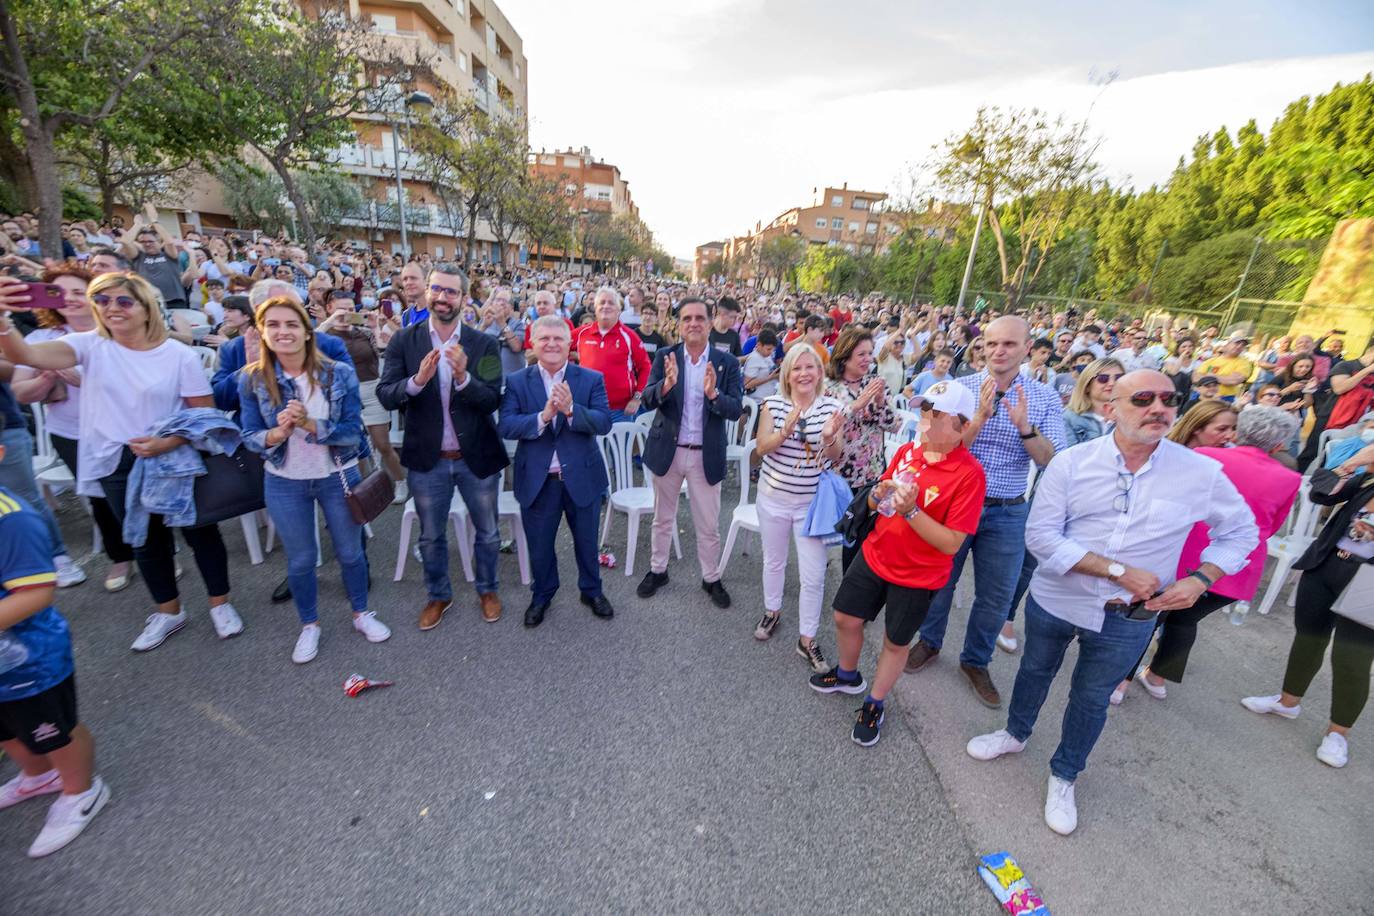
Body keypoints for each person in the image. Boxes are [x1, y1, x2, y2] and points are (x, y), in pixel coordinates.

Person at [967, 370, 1257, 835]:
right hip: (1057, 600)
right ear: (1110, 409)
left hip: (1129, 617)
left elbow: (1242, 532)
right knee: (1034, 671)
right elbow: (1041, 537)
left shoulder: (1199, 472)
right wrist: (1117, 570)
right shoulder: (1072, 463)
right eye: (1143, 398)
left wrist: (1202, 579)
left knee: (1092, 698)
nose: (1158, 407)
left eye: (1169, 398)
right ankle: (1015, 734)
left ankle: (1065, 774)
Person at [0, 272, 241, 651]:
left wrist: (168, 442)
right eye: (102, 300)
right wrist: (2, 319)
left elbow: (204, 416)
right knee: (144, 540)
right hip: (114, 460)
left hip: (174, 458)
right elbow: (24, 356)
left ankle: (220, 605)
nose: (111, 308)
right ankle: (169, 612)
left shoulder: (177, 355)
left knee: (200, 533)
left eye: (123, 301)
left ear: (146, 308)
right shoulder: (89, 345)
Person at [810, 380, 986, 746]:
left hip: (918, 576)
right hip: (876, 554)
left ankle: (875, 703)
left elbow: (952, 543)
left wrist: (912, 512)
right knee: (844, 616)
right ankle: (847, 675)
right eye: (924, 409)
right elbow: (880, 501)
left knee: (895, 642)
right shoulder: (908, 450)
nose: (925, 418)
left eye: (937, 413)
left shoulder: (969, 475)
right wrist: (875, 496)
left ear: (963, 425)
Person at [904, 317, 1066, 709]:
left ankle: (975, 661)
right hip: (955, 504)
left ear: (1027, 347)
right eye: (991, 343)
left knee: (996, 596)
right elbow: (939, 449)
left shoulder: (1044, 398)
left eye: (1009, 344)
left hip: (1008, 509)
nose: (998, 351)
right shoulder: (960, 389)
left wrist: (1025, 427)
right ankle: (929, 641)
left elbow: (1052, 461)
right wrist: (978, 418)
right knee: (940, 582)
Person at [238, 296, 390, 662]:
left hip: (337, 474)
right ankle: (310, 625)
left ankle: (361, 613)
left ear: (307, 332)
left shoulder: (339, 372)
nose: (282, 332)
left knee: (350, 552)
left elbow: (354, 433)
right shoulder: (253, 378)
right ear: (261, 332)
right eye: (273, 325)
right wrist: (275, 434)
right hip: (284, 480)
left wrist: (308, 424)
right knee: (302, 560)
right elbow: (249, 434)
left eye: (291, 324)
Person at [1117, 405, 1300, 703]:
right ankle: (1157, 677)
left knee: (1151, 615)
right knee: (1186, 620)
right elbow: (1275, 524)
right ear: (1279, 445)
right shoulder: (1289, 478)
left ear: (1239, 432)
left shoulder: (1206, 456)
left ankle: (1120, 681)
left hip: (1191, 553)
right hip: (1239, 564)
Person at [377, 264, 508, 628]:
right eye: (437, 289)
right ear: (426, 293)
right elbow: (386, 395)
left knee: (488, 532)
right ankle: (439, 595)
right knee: (431, 536)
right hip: (427, 460)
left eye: (451, 291)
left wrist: (464, 377)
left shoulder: (483, 343)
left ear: (464, 299)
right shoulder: (405, 340)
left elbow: (492, 400)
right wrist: (417, 381)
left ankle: (487, 589)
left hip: (475, 458)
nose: (442, 297)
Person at [0, 461, 109, 858]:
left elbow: (36, 593)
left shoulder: (11, 520)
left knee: (55, 729)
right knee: (8, 729)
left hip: (31, 661)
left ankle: (81, 791)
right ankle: (37, 776)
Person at [1242, 443, 1374, 768]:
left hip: (1368, 583)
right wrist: (1351, 465)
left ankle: (1338, 734)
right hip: (1326, 564)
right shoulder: (1368, 479)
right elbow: (1320, 494)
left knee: (1351, 658)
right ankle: (1288, 701)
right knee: (1308, 637)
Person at [9, 265, 133, 591]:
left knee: (138, 492)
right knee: (100, 497)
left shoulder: (122, 331)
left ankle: (160, 548)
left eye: (79, 291)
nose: (71, 299)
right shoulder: (40, 340)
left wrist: (81, 379)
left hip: (124, 428)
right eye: (60, 293)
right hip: (72, 432)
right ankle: (120, 556)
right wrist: (46, 378)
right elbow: (20, 392)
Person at [499, 316, 613, 628]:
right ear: (532, 343)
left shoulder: (589, 379)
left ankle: (591, 591)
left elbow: (604, 422)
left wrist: (573, 410)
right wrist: (543, 416)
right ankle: (542, 594)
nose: (551, 344)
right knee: (540, 545)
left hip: (581, 477)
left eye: (558, 339)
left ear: (568, 344)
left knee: (588, 542)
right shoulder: (518, 381)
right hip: (538, 480)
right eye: (544, 338)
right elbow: (507, 425)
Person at [635, 298, 744, 607]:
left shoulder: (728, 364)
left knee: (708, 524)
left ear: (710, 323)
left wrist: (714, 394)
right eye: (687, 318)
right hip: (668, 451)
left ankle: (711, 577)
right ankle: (658, 570)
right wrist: (667, 385)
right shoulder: (665, 356)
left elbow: (735, 410)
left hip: (704, 454)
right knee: (662, 519)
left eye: (699, 318)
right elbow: (647, 399)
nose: (693, 323)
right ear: (679, 325)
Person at [753, 344, 845, 672]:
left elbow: (837, 457)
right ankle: (772, 611)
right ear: (787, 374)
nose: (804, 373)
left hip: (811, 507)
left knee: (813, 575)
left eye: (811, 367)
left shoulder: (833, 406)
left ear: (820, 373)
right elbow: (762, 448)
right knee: (774, 562)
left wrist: (832, 437)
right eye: (797, 368)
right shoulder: (773, 404)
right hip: (773, 499)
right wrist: (784, 432)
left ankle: (807, 639)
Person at [824, 326, 901, 569]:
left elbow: (894, 425)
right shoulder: (828, 387)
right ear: (845, 355)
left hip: (871, 474)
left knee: (859, 540)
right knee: (830, 531)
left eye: (870, 353)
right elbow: (825, 425)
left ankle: (850, 587)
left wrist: (879, 404)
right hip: (838, 473)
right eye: (861, 354)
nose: (868, 359)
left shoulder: (877, 383)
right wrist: (857, 405)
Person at [319, 291, 405, 500]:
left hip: (371, 389)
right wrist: (331, 321)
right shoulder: (325, 336)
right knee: (353, 447)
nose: (347, 314)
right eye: (342, 309)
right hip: (343, 395)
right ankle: (364, 490)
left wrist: (375, 327)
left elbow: (383, 350)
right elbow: (307, 343)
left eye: (350, 309)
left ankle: (400, 482)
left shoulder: (363, 332)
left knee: (383, 444)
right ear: (330, 308)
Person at [572, 286, 651, 422]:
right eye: (602, 302)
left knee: (619, 444)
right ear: (595, 308)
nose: (606, 306)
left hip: (620, 411)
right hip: (587, 407)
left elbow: (646, 367)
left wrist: (637, 398)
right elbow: (558, 347)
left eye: (611, 303)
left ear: (619, 309)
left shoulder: (629, 336)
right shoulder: (581, 333)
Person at [1062, 357, 1123, 445]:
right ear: (1087, 386)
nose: (1112, 383)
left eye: (1118, 378)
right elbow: (1070, 456)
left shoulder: (1132, 415)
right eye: (1103, 378)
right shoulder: (1068, 418)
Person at [1194, 335, 1253, 401]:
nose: (1239, 346)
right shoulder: (1211, 361)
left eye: (1243, 345)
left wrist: (1211, 377)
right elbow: (1196, 378)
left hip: (1224, 398)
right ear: (1227, 345)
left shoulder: (1244, 363)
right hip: (1201, 395)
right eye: (1237, 343)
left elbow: (1234, 380)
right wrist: (1223, 379)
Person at [1168, 399, 1237, 449]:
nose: (1230, 436)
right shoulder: (1164, 451)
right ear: (1196, 427)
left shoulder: (1232, 452)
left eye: (1233, 429)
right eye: (1222, 429)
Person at [742, 328, 780, 399]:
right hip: (757, 401)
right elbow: (747, 384)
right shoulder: (754, 358)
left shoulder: (767, 356)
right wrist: (769, 378)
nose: (771, 352)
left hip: (768, 398)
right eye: (768, 349)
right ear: (759, 345)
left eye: (773, 349)